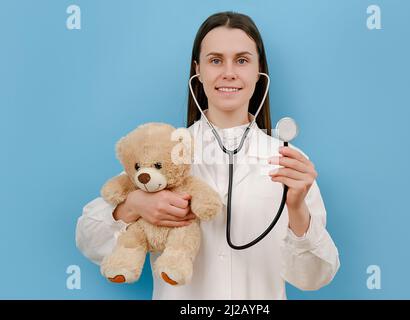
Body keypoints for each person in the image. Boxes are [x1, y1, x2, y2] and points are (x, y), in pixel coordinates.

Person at [76, 11, 340, 300]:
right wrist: (134, 205)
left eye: (242, 60)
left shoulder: (289, 161)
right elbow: (88, 237)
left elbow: (316, 276)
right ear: (197, 70)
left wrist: (298, 209)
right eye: (215, 60)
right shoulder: (164, 152)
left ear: (258, 70)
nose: (229, 72)